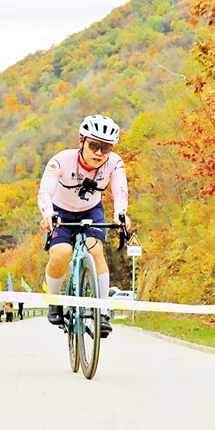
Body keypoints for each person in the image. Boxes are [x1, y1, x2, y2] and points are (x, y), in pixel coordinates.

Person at [38, 114, 128, 338]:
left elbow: (120, 191)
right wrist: (48, 214)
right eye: (94, 145)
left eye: (105, 148)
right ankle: (54, 301)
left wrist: (121, 214)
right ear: (82, 141)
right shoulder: (61, 160)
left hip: (91, 210)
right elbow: (45, 191)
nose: (99, 153)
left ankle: (102, 312)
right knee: (61, 253)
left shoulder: (115, 163)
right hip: (60, 211)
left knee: (95, 250)